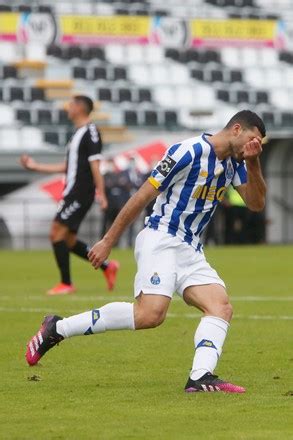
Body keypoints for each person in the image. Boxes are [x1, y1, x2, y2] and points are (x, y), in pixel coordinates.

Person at [26, 110, 266, 393]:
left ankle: (200, 377)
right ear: (236, 129)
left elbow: (256, 204)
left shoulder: (238, 163)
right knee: (150, 315)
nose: (255, 146)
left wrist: (254, 163)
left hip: (190, 248)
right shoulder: (187, 152)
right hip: (161, 238)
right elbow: (142, 195)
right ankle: (57, 328)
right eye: (253, 140)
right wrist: (107, 240)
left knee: (220, 307)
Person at [20, 95, 119, 295]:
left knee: (56, 233)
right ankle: (107, 266)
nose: (68, 107)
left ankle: (66, 283)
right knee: (69, 240)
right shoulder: (78, 133)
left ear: (80, 108)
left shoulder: (91, 131)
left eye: (71, 104)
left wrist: (102, 194)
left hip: (80, 193)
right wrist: (36, 166)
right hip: (72, 191)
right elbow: (69, 166)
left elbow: (95, 165)